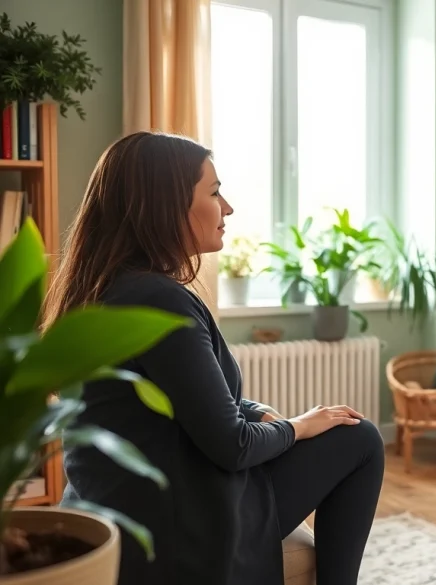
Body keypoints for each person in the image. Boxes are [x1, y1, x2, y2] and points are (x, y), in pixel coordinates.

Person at [45, 131, 385, 585]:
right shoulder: (158, 299)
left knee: (334, 432)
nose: (227, 208)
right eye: (214, 191)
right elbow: (233, 445)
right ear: (166, 205)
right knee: (360, 438)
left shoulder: (105, 290)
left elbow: (168, 405)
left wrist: (256, 410)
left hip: (122, 503)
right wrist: (298, 427)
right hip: (176, 526)